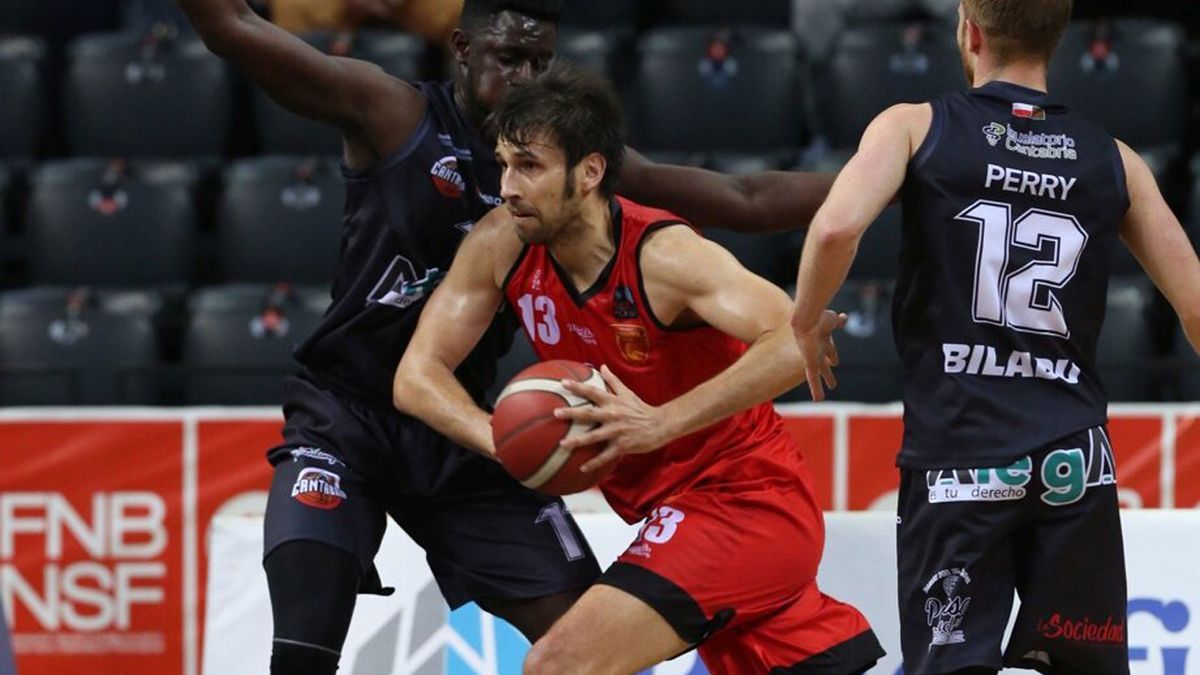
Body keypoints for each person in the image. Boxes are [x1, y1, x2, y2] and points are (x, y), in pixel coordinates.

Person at [177, 0, 840, 672]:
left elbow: (742, 198)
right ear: (461, 47)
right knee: (302, 647)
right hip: (344, 415)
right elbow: (234, 27)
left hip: (458, 424)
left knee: (585, 643)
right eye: (509, 58)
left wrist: (882, 184)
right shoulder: (391, 112)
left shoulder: (573, 162)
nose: (526, 76)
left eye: (541, 60)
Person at [394, 62, 885, 675]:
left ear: (590, 171)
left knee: (557, 665)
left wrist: (658, 424)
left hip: (742, 502)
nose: (508, 186)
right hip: (681, 511)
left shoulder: (664, 255)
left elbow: (793, 339)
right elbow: (416, 375)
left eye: (529, 166)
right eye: (503, 164)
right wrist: (502, 442)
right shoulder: (504, 240)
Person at [788, 1, 1200, 674]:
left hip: (960, 460)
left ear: (968, 30)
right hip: (1073, 466)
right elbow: (1195, 304)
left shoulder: (914, 125)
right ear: (1056, 39)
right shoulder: (1114, 158)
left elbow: (835, 228)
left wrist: (805, 318)